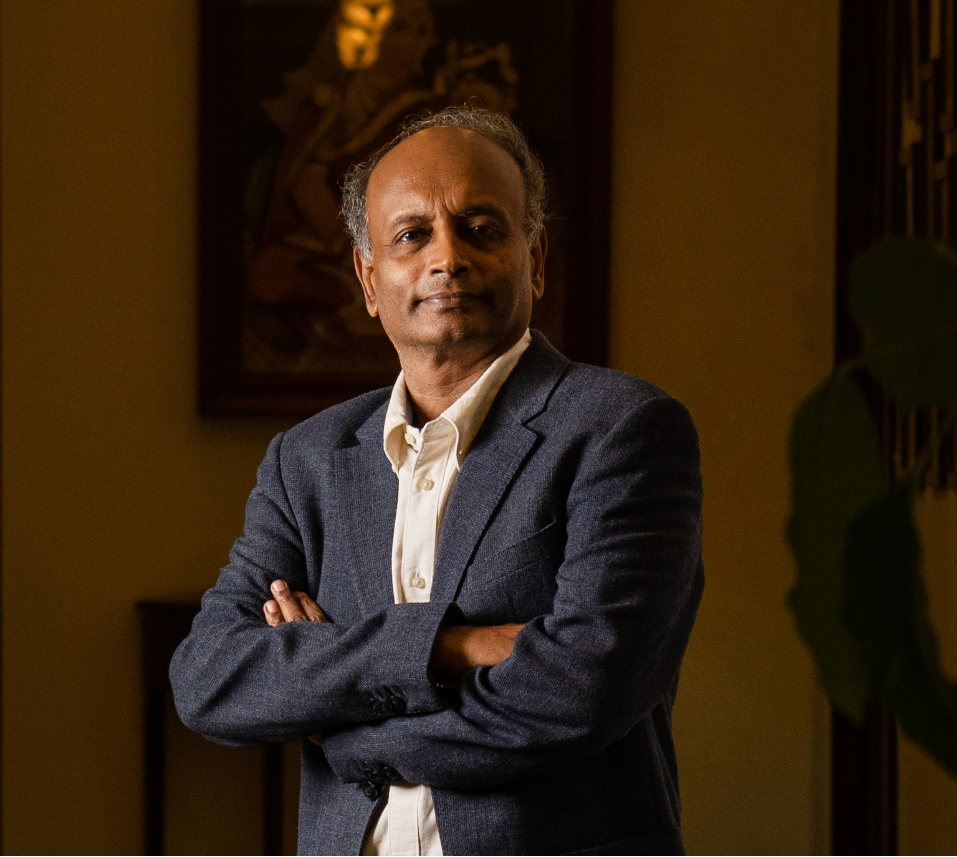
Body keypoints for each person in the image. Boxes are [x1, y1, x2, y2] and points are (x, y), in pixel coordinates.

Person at [170, 106, 704, 857]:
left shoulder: (623, 430)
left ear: (535, 259)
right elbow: (209, 678)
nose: (447, 257)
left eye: (481, 228)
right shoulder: (308, 459)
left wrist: (344, 728)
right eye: (411, 234)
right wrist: (452, 648)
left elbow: (582, 690)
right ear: (369, 279)